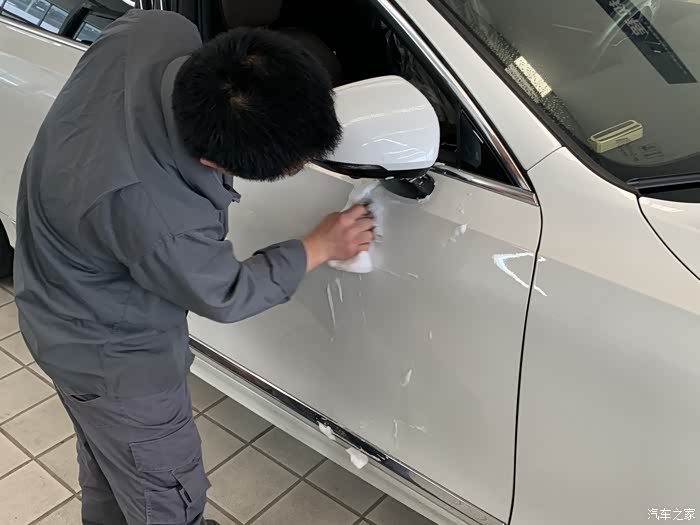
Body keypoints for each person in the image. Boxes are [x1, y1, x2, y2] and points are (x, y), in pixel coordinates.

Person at [13, 9, 373, 525]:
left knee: (114, 469)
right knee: (163, 493)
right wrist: (319, 245)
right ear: (212, 162)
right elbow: (226, 292)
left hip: (55, 306)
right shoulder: (159, 213)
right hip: (113, 361)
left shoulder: (152, 30)